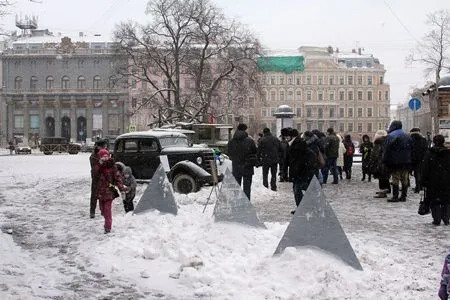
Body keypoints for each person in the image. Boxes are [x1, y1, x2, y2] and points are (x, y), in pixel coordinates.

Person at [94, 148, 126, 233]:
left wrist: (121, 189)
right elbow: (94, 174)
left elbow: (118, 178)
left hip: (109, 192)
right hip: (100, 192)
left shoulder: (112, 166)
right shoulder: (98, 166)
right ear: (100, 157)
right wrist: (99, 165)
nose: (105, 158)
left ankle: (107, 227)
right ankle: (106, 219)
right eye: (103, 156)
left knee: (107, 210)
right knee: (102, 210)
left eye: (106, 156)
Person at [421, 134, 450, 226]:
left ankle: (436, 218)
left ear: (433, 142)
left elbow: (425, 169)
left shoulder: (430, 153)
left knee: (434, 200)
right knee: (446, 200)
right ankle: (446, 218)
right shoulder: (448, 153)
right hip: (446, 181)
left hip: (433, 181)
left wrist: (423, 181)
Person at [288, 129, 319, 214]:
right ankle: (304, 207)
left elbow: (303, 158)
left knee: (298, 190)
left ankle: (305, 208)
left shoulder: (302, 144)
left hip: (302, 171)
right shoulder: (300, 143)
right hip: (302, 171)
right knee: (299, 190)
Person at [382, 120, 412, 202]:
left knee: (395, 178)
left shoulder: (391, 136)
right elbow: (412, 150)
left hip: (395, 162)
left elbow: (387, 150)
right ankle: (403, 196)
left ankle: (395, 196)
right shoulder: (408, 136)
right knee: (404, 178)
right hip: (407, 161)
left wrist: (385, 161)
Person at [227, 123, 258, 201]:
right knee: (247, 187)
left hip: (236, 167)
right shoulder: (250, 141)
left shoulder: (231, 141)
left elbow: (229, 153)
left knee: (237, 187)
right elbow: (254, 152)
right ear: (245, 130)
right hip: (247, 167)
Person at [368, 130, 391, 198]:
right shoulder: (386, 143)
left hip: (380, 163)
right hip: (384, 163)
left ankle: (383, 191)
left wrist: (372, 162)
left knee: (382, 177)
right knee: (384, 177)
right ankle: (386, 190)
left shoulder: (378, 144)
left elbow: (376, 154)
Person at [89, 139, 108, 218]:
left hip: (104, 177)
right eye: (103, 147)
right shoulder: (93, 156)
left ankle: (103, 210)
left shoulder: (106, 153)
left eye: (105, 147)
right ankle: (92, 211)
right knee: (94, 195)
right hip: (96, 177)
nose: (105, 148)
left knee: (104, 194)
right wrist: (100, 163)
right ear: (98, 147)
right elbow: (94, 169)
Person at [409, 128, 428, 193]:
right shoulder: (423, 139)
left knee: (415, 174)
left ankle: (417, 187)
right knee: (419, 173)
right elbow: (426, 150)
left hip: (413, 159)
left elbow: (410, 150)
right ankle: (420, 186)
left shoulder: (410, 139)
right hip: (421, 159)